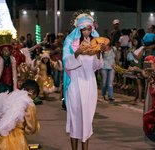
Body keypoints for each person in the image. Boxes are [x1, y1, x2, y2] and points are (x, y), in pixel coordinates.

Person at [63, 11, 103, 150]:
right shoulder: (71, 43)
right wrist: (77, 53)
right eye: (84, 29)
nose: (86, 31)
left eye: (89, 29)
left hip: (89, 84)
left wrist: (98, 53)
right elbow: (67, 64)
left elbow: (96, 66)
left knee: (87, 118)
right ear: (79, 29)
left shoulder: (95, 44)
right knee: (75, 117)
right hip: (75, 84)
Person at [0, 79, 40, 150]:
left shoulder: (9, 97)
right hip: (15, 140)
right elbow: (31, 127)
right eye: (34, 97)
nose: (33, 99)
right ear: (32, 92)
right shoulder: (29, 103)